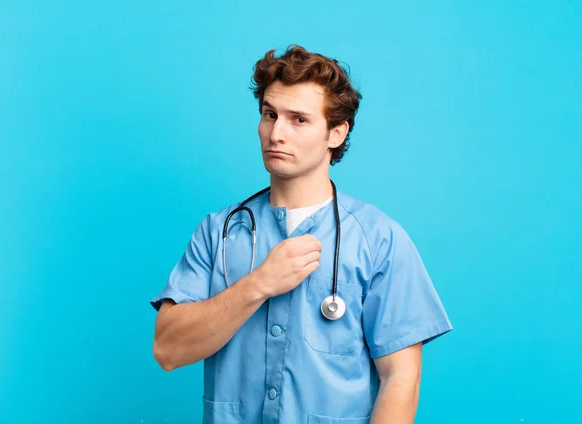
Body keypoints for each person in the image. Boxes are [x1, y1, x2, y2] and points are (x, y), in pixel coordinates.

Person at [150, 44, 452, 424]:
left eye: (299, 119)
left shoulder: (379, 241)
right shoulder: (219, 232)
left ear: (336, 133)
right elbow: (167, 349)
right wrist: (259, 283)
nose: (276, 133)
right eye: (269, 114)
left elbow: (400, 378)